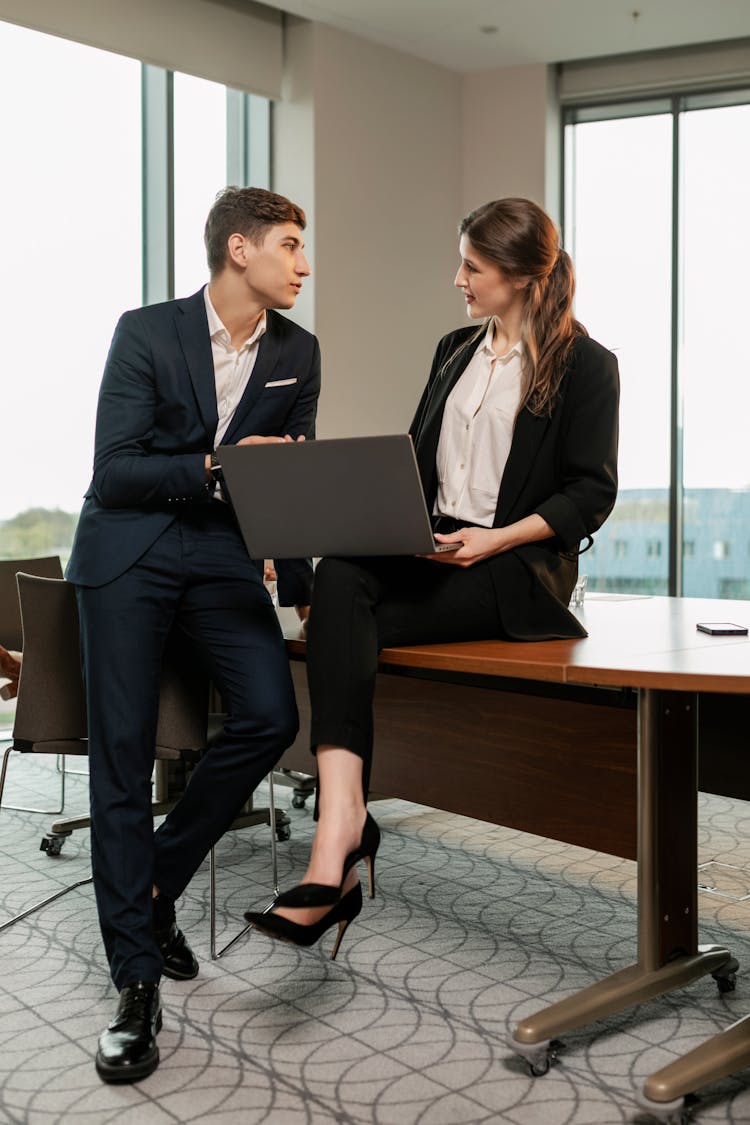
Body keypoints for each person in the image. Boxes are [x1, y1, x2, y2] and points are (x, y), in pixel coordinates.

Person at [244, 196, 619, 956]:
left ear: (519, 276)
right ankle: (344, 822)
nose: (459, 280)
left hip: (512, 570)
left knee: (349, 618)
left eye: (472, 267)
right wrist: (388, 520)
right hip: (435, 551)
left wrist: (492, 539)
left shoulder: (586, 365)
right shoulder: (455, 349)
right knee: (345, 573)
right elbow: (417, 463)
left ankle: (338, 848)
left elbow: (590, 491)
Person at [66, 186, 320, 1083]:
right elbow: (115, 470)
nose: (302, 262)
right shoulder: (146, 330)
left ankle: (155, 881)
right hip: (129, 549)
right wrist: (219, 465)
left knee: (268, 716)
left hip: (220, 556)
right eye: (290, 244)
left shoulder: (299, 352)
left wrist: (305, 588)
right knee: (122, 755)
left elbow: (290, 487)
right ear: (239, 249)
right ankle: (135, 980)